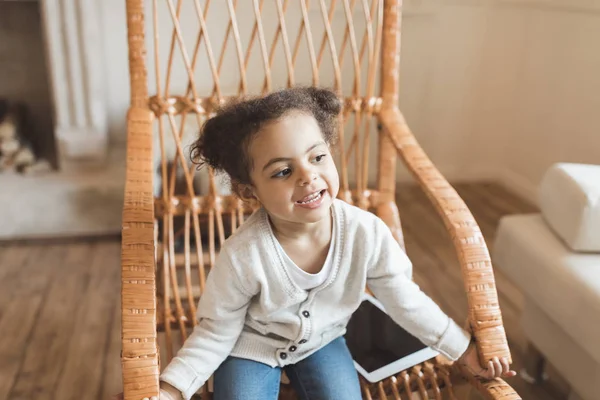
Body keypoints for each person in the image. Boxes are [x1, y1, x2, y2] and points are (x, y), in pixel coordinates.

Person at [119, 87, 515, 400]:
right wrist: (172, 388)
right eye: (283, 171)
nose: (308, 177)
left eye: (318, 157)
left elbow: (405, 301)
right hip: (248, 346)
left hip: (325, 341)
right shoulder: (243, 255)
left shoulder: (366, 233)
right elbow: (215, 331)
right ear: (247, 190)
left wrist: (462, 350)